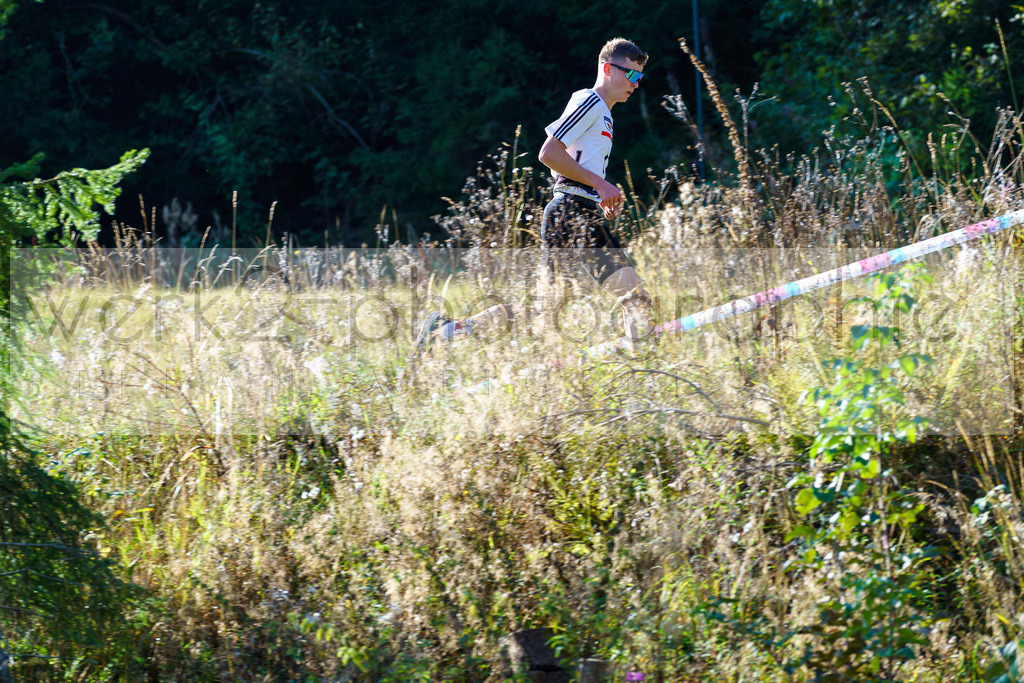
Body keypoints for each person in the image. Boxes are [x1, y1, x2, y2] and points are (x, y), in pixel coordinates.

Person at [416, 37, 654, 350]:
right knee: (634, 300)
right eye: (631, 75)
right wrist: (599, 185)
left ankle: (447, 331)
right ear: (608, 69)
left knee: (551, 315)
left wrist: (599, 195)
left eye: (640, 77)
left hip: (577, 210)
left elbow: (562, 165)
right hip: (570, 213)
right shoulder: (590, 102)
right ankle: (642, 369)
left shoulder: (604, 113)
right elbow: (548, 152)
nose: (636, 84)